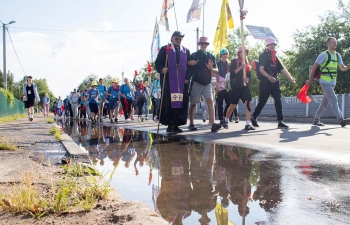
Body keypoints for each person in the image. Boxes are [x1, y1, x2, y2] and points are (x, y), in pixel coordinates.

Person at [251, 37, 296, 129]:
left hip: (275, 82)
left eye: (273, 45)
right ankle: (253, 116)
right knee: (262, 102)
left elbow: (282, 69)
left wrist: (290, 79)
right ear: (267, 45)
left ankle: (280, 121)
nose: (272, 46)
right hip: (265, 82)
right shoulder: (263, 55)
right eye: (270, 44)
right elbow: (261, 69)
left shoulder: (275, 56)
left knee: (278, 101)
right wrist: (268, 77)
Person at [155, 31, 194, 133]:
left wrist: (187, 77)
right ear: (172, 38)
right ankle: (169, 124)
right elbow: (158, 62)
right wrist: (161, 69)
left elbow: (189, 66)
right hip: (168, 80)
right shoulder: (165, 49)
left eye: (180, 39)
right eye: (176, 38)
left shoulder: (186, 51)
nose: (178, 40)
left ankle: (176, 124)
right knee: (169, 102)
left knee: (180, 102)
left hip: (182, 81)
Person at [307, 37, 350, 127]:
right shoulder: (323, 55)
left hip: (332, 82)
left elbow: (342, 68)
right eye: (333, 42)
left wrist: (348, 67)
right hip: (324, 81)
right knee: (333, 99)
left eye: (336, 42)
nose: (335, 44)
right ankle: (341, 120)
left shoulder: (338, 55)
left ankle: (316, 119)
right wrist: (310, 80)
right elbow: (314, 67)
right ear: (328, 44)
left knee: (325, 102)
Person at [187, 36, 221, 132]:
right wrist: (189, 63)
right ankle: (191, 123)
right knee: (193, 104)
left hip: (207, 82)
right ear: (199, 44)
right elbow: (187, 64)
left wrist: (211, 69)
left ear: (207, 45)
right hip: (196, 82)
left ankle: (213, 123)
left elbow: (216, 70)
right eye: (202, 43)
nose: (203, 45)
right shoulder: (194, 55)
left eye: (205, 43)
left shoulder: (211, 56)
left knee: (210, 100)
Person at [222, 46, 255, 130]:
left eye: (245, 52)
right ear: (239, 53)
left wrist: (247, 78)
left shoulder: (248, 63)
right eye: (242, 52)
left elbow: (249, 76)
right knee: (233, 105)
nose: (244, 54)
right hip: (235, 86)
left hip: (244, 86)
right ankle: (225, 120)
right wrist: (241, 67)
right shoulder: (234, 61)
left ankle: (247, 124)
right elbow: (232, 74)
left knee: (249, 102)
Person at [216, 48, 239, 124]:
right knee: (220, 103)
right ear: (221, 55)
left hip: (228, 84)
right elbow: (216, 74)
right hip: (220, 84)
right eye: (224, 54)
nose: (225, 55)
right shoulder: (218, 63)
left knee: (229, 102)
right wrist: (216, 85)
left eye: (226, 54)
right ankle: (221, 119)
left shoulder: (229, 64)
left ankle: (225, 115)